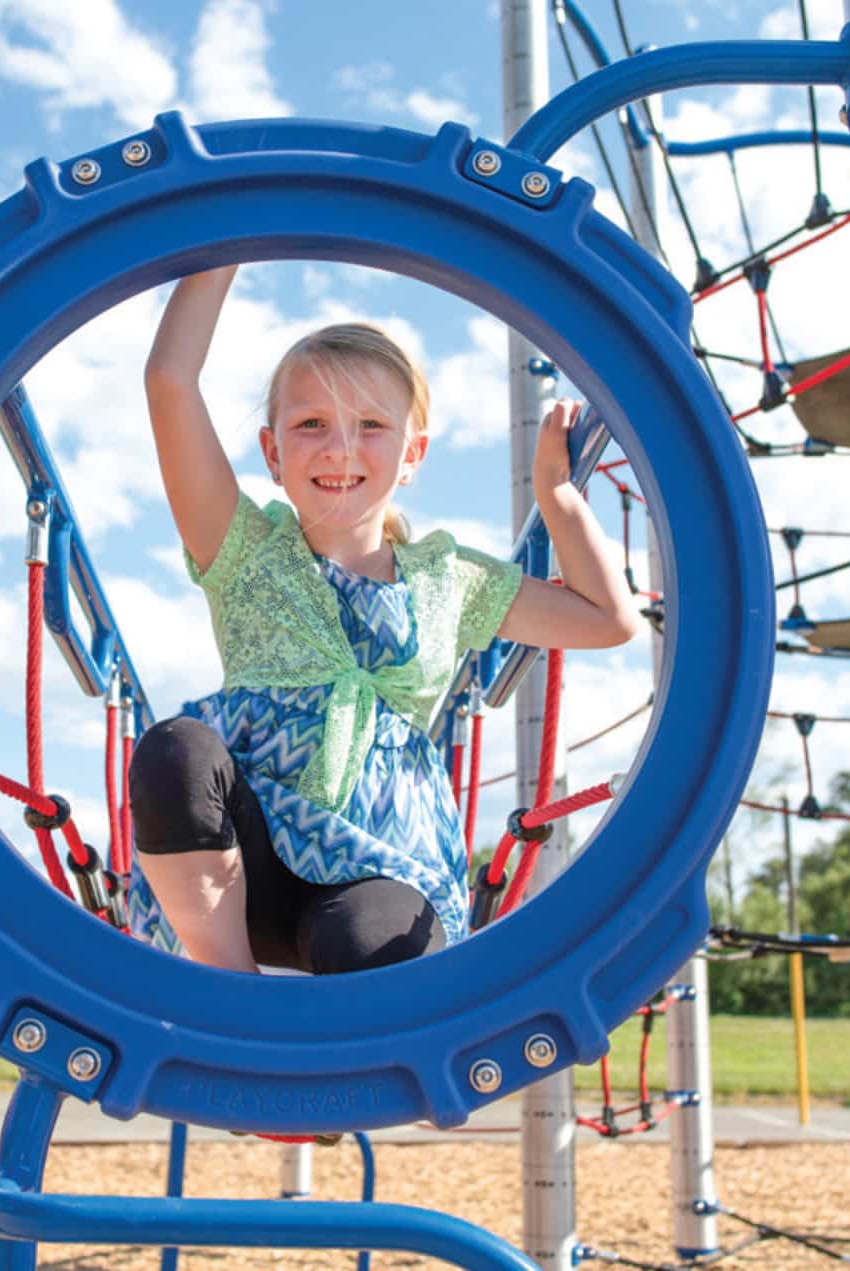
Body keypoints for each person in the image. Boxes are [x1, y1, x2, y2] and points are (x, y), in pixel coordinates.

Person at [127, 264, 639, 978]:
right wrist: (226, 246)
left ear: (412, 454)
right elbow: (169, 383)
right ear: (273, 452)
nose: (340, 448)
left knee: (372, 946)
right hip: (243, 860)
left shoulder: (446, 580)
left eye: (371, 425)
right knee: (174, 748)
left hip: (378, 862)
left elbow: (607, 618)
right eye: (311, 425)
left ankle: (363, 1053)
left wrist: (555, 495)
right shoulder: (241, 548)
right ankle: (233, 996)